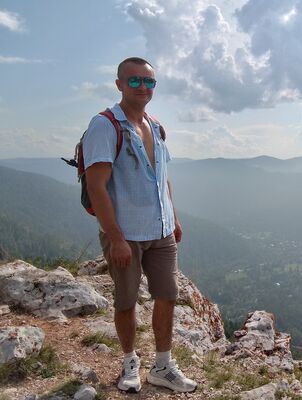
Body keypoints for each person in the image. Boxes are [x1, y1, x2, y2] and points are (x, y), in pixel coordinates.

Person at [83, 57, 197, 394]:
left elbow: (163, 176)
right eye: (134, 80)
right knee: (126, 301)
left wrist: (173, 218)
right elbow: (96, 186)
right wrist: (116, 238)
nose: (143, 87)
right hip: (126, 234)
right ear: (119, 84)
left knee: (167, 296)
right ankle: (129, 362)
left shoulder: (155, 126)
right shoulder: (105, 126)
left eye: (149, 81)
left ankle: (163, 366)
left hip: (161, 231)